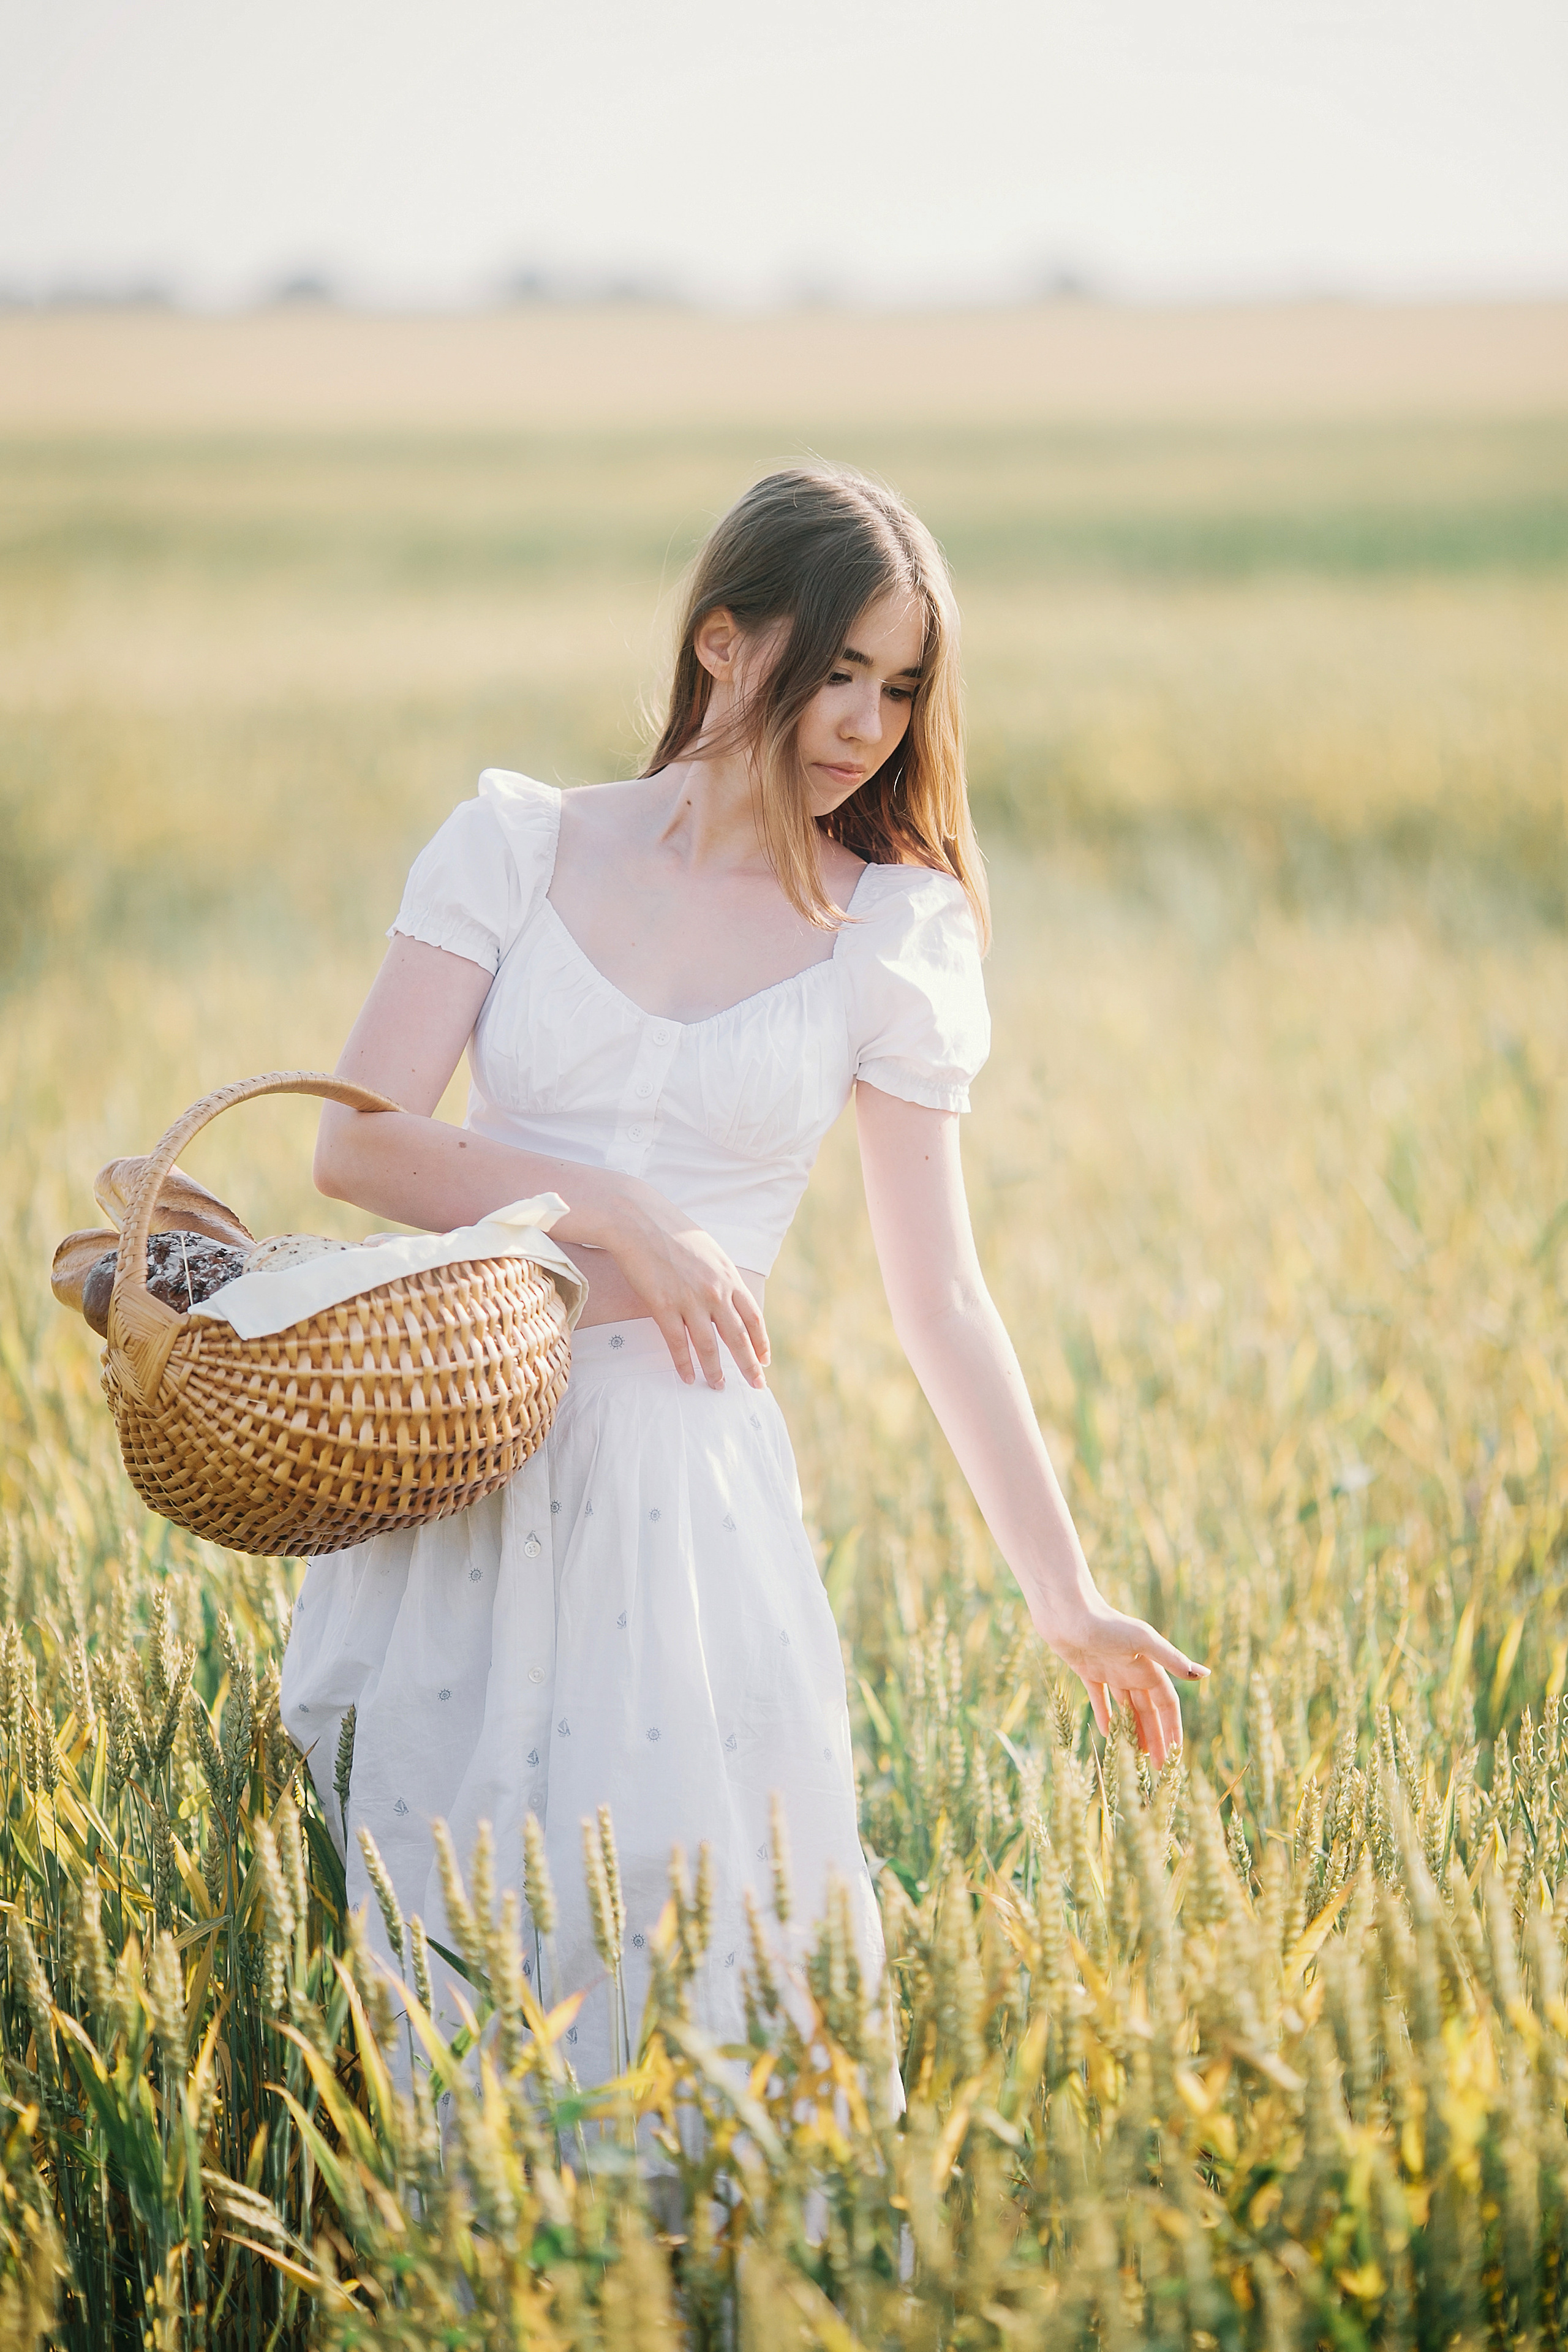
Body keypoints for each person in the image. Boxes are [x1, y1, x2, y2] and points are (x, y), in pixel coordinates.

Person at [279, 464, 1206, 2086]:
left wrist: (1064, 1597)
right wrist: (620, 1208)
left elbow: (944, 1298)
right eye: (838, 667)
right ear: (723, 644)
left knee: (683, 1981)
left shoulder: (891, 934)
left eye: (902, 687)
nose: (867, 720)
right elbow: (357, 1150)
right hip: (458, 1456)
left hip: (683, 1503)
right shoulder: (516, 843)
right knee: (442, 1976)